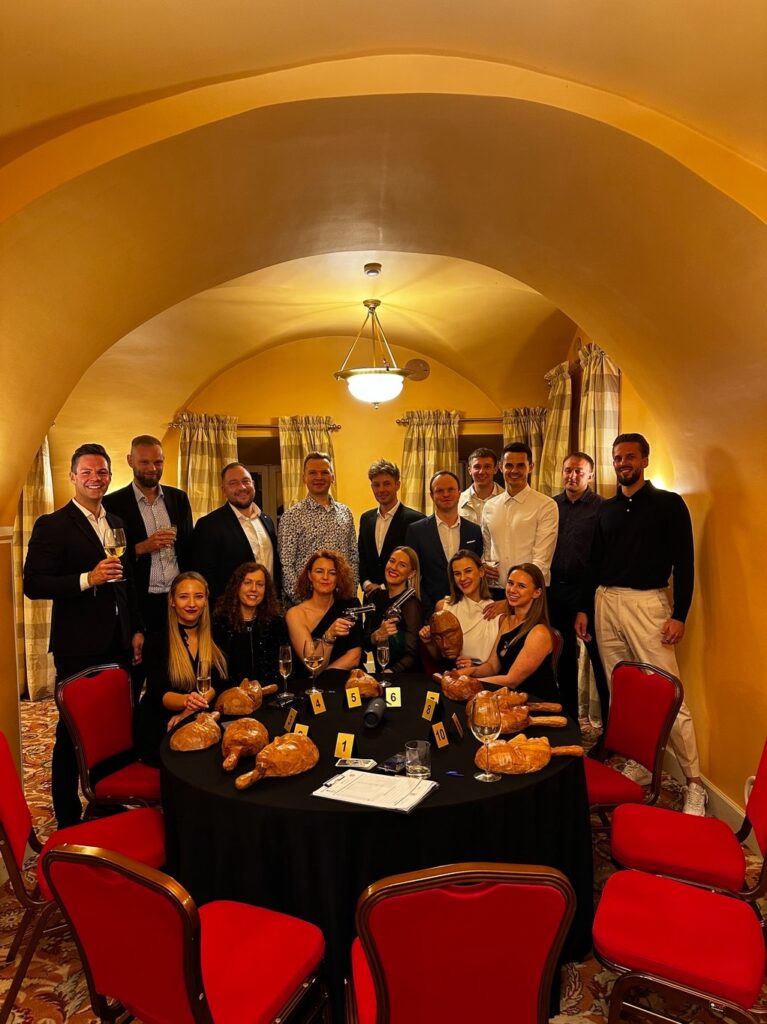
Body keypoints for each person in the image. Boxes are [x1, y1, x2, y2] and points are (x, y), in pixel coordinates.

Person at [575, 432, 705, 815]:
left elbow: (685, 562)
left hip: (648, 604)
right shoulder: (607, 509)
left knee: (669, 693)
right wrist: (584, 608)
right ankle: (641, 763)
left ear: (645, 460)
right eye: (617, 458)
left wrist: (680, 614)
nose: (623, 463)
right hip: (605, 600)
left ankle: (695, 783)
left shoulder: (669, 504)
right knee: (623, 693)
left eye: (630, 456)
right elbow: (594, 563)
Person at [23, 442, 144, 827]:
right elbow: (33, 583)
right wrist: (86, 579)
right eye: (87, 472)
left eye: (102, 472)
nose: (95, 478)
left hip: (118, 640)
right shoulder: (52, 524)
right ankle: (67, 816)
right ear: (73, 477)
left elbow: (127, 581)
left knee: (116, 725)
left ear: (110, 476)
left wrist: (136, 629)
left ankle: (107, 800)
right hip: (78, 645)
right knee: (71, 731)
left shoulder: (117, 521)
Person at [103, 434, 193, 698]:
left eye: (158, 462)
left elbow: (189, 546)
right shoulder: (112, 503)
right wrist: (143, 547)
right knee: (136, 674)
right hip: (140, 601)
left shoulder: (178, 498)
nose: (153, 468)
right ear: (130, 461)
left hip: (175, 601)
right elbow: (109, 557)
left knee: (175, 673)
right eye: (145, 462)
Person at [135, 572, 227, 766]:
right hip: (163, 725)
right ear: (172, 600)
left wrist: (189, 711)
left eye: (198, 596)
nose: (192, 603)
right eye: (184, 596)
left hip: (196, 718)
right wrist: (187, 702)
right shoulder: (156, 640)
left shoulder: (217, 633)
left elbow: (218, 682)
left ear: (206, 600)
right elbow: (160, 693)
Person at [547, 452, 609, 729]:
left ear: (590, 476)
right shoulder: (550, 506)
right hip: (555, 592)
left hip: (589, 593)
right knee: (562, 661)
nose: (572, 476)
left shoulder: (603, 508)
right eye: (568, 470)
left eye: (579, 472)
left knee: (599, 661)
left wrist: (586, 602)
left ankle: (609, 729)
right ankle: (569, 722)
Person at [457, 563, 559, 703]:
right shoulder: (507, 621)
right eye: (510, 583)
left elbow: (511, 680)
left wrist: (470, 683)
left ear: (537, 592)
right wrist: (470, 672)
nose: (512, 590)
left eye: (521, 586)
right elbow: (492, 666)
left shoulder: (539, 632)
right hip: (507, 698)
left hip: (535, 703)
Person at [192, 462, 279, 607]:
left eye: (246, 481)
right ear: (223, 490)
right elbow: (206, 577)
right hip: (231, 610)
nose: (242, 487)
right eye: (233, 483)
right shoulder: (209, 525)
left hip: (268, 608)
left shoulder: (267, 520)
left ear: (253, 484)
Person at [278, 452, 358, 606]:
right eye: (313, 473)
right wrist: (306, 603)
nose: (319, 477)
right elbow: (286, 565)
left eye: (324, 472)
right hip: (305, 605)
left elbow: (353, 557)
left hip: (341, 602)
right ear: (304, 478)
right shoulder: (291, 516)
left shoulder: (346, 513)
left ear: (332, 477)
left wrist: (350, 594)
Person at [481, 442, 559, 596]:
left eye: (521, 465)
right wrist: (485, 565)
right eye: (509, 465)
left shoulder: (546, 505)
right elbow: (487, 550)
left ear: (531, 467)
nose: (514, 471)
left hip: (531, 591)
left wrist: (520, 590)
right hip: (496, 590)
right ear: (501, 467)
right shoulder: (489, 506)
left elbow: (541, 560)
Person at [404, 470, 483, 618]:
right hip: (429, 612)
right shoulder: (416, 531)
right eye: (439, 490)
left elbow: (478, 574)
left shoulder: (474, 531)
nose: (446, 494)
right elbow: (413, 577)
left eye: (451, 489)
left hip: (471, 612)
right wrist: (429, 611)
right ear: (431, 495)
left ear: (459, 492)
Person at [285, 549, 363, 677]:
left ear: (338, 578)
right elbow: (314, 666)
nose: (325, 577)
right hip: (309, 684)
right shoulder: (295, 614)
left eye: (332, 573)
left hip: (347, 679)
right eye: (319, 571)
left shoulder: (351, 606)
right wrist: (329, 635)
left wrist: (324, 679)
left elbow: (354, 657)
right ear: (310, 575)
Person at [419, 549, 500, 668]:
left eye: (468, 571)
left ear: (481, 571)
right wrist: (429, 642)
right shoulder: (443, 607)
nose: (462, 578)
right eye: (457, 573)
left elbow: (497, 665)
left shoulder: (496, 611)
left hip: (484, 677)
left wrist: (474, 668)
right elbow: (438, 657)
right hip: (450, 673)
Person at [213, 561, 288, 684]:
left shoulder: (276, 623)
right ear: (237, 586)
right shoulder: (220, 623)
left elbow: (284, 669)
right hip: (231, 694)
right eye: (247, 583)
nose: (254, 589)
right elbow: (217, 674)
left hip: (269, 692)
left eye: (260, 584)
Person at [357, 459, 425, 595]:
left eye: (386, 484)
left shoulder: (416, 520)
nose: (381, 489)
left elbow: (417, 563)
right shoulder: (366, 519)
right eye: (376, 485)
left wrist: (383, 587)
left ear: (397, 485)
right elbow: (361, 556)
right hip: (370, 596)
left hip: (401, 597)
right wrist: (366, 583)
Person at [364, 546, 423, 674]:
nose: (394, 567)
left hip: (403, 677)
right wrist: (377, 635)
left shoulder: (412, 604)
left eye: (402, 565)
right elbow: (365, 643)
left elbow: (413, 654)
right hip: (381, 675)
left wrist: (390, 672)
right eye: (392, 561)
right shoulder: (374, 596)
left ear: (412, 573)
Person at [458, 447, 503, 525]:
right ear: (469, 470)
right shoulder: (458, 501)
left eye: (487, 467)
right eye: (477, 467)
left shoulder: (507, 499)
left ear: (495, 469)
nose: (481, 472)